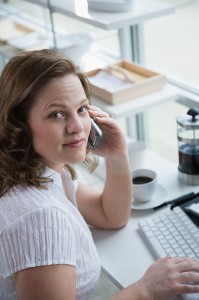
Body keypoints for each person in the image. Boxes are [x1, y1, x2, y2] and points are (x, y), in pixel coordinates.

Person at [0, 49, 199, 300]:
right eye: (57, 114)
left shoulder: (41, 171)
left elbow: (111, 215)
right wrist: (143, 289)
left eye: (82, 109)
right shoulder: (40, 217)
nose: (77, 127)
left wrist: (116, 154)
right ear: (19, 125)